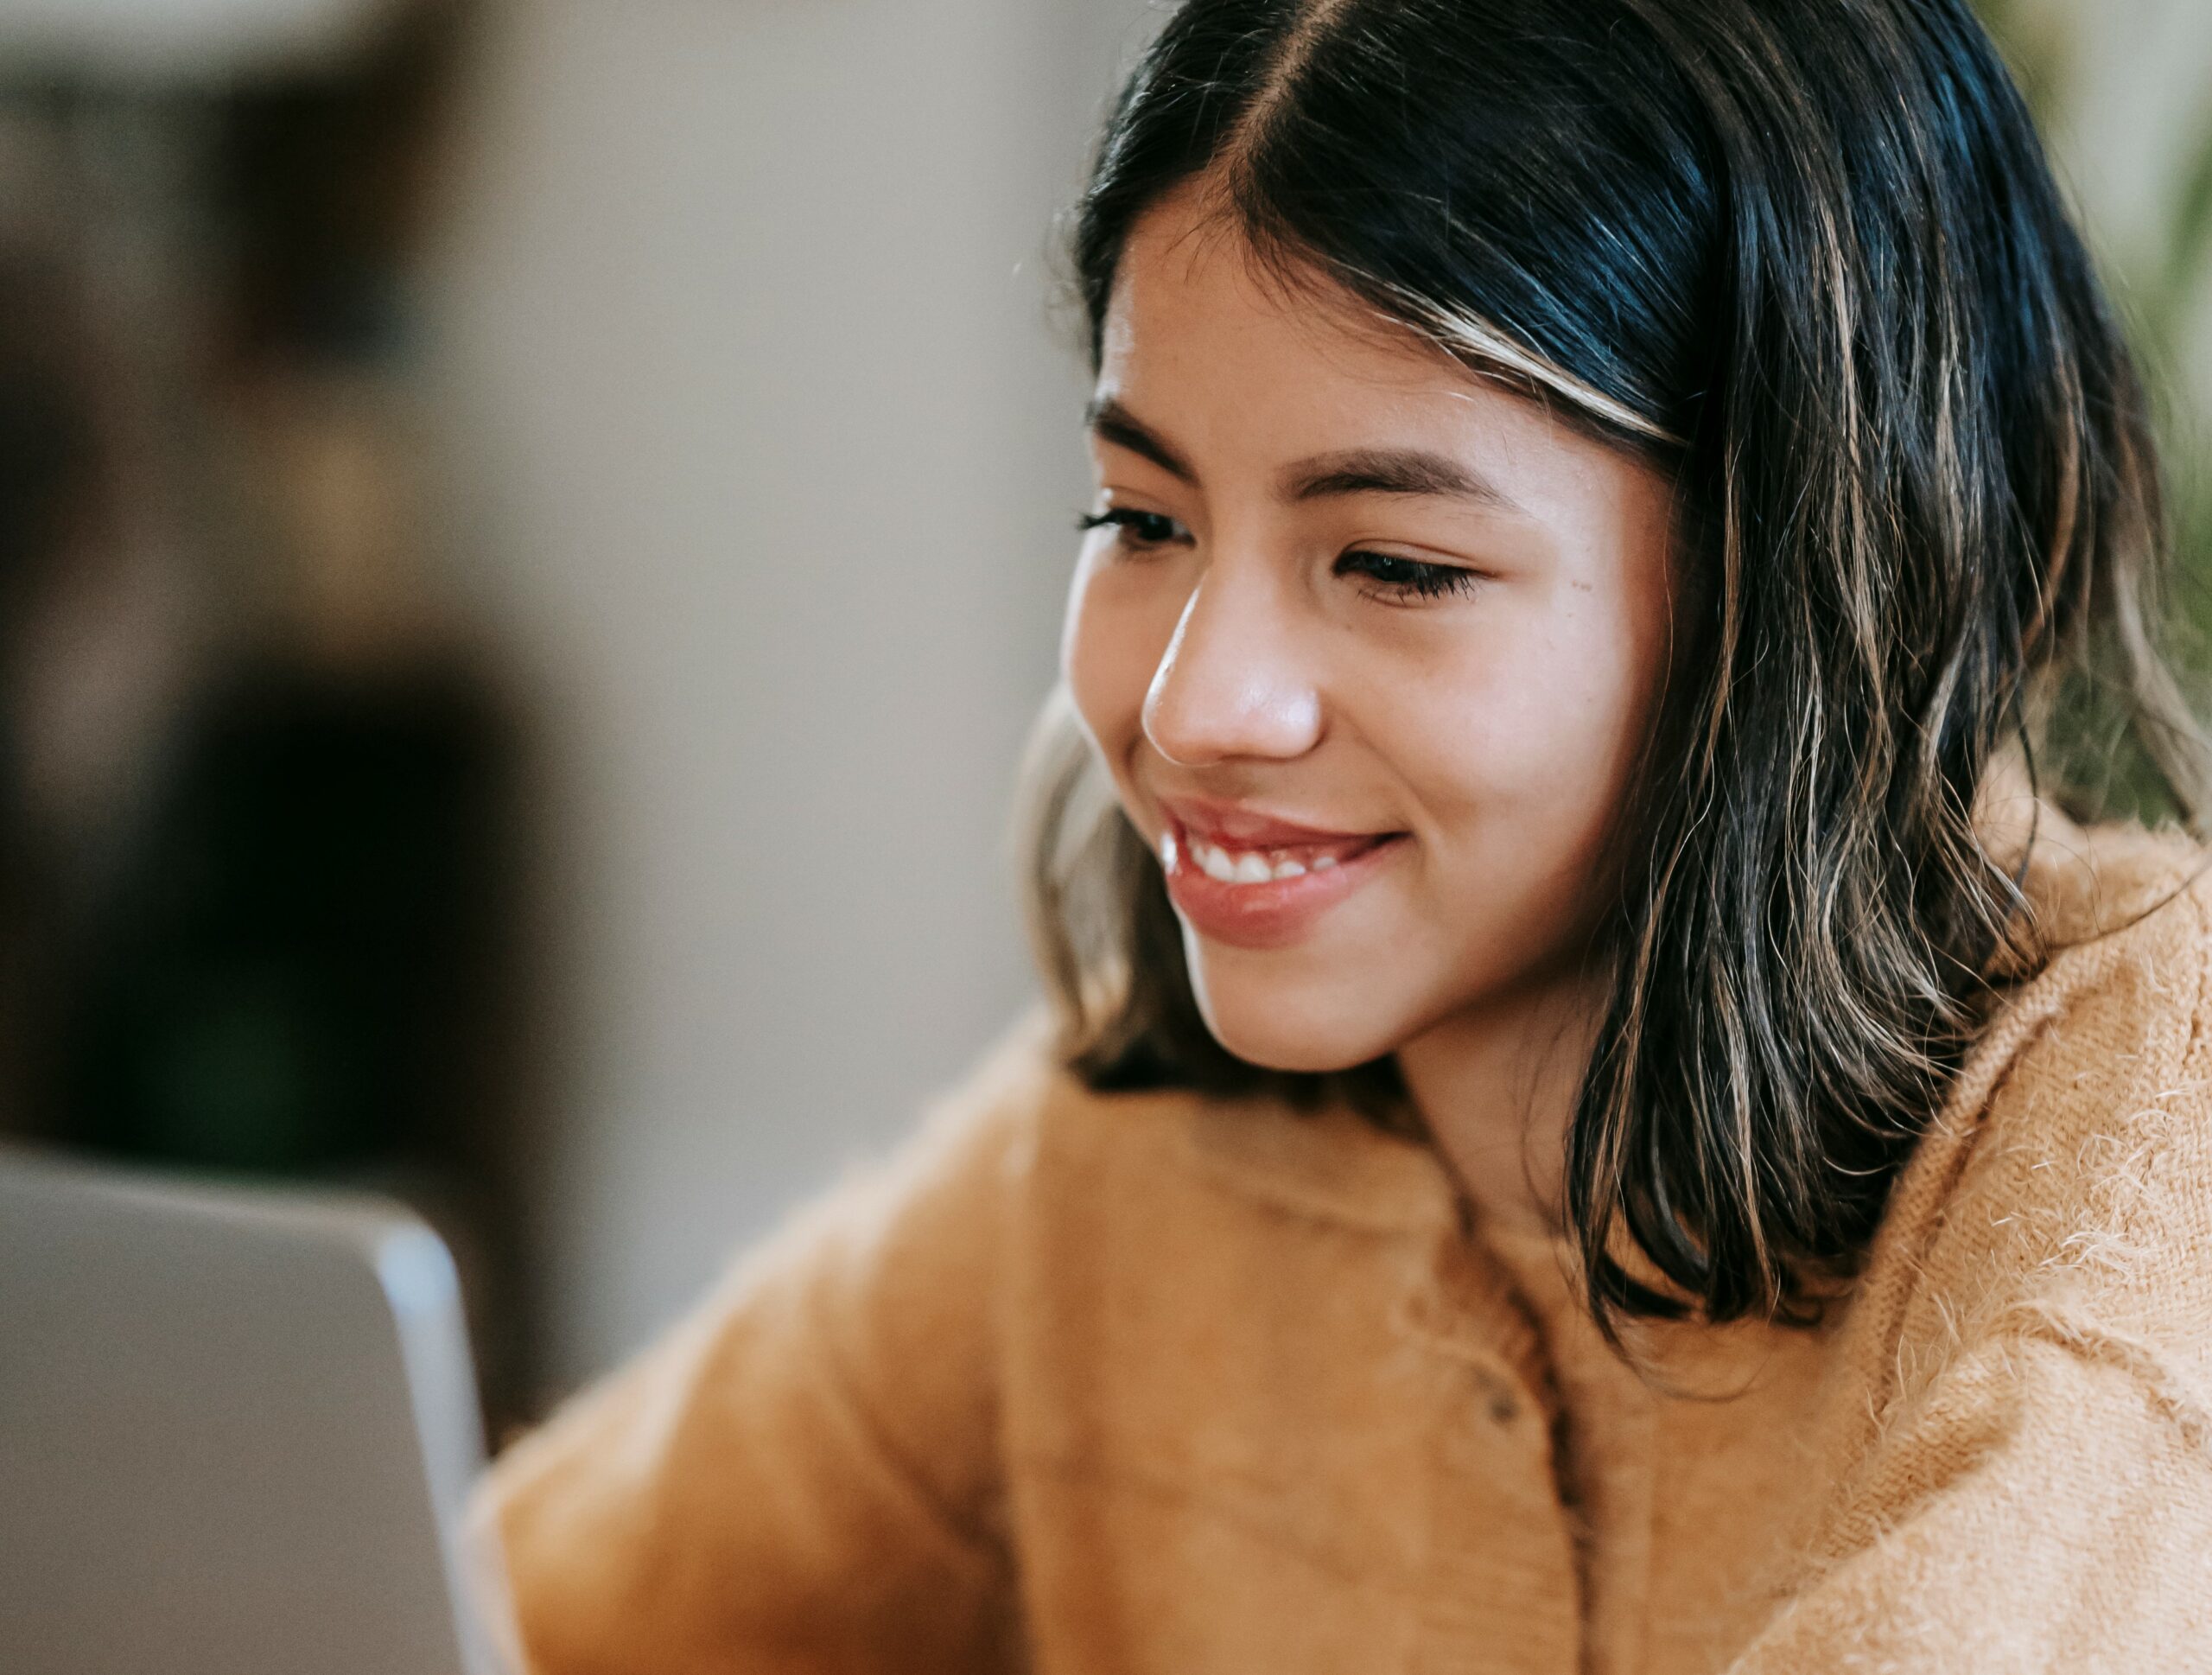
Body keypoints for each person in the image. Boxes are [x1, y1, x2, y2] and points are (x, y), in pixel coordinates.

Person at [474, 1, 2212, 1669]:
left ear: (1811, 577)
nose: (1191, 701)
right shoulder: (1118, 1168)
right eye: (1138, 515)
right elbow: (482, 1615)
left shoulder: (2144, 1104)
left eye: (1392, 563)